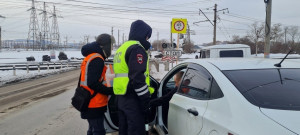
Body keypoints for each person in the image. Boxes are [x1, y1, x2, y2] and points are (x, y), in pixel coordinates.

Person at [113, 20, 154, 135]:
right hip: (133, 99)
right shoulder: (137, 49)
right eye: (147, 36)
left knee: (124, 130)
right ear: (143, 34)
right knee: (136, 131)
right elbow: (137, 78)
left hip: (121, 98)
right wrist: (146, 100)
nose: (147, 39)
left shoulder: (121, 49)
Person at [80, 33, 115, 135]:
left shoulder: (91, 56)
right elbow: (92, 83)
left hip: (88, 100)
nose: (112, 48)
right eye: (111, 46)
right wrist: (110, 91)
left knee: (92, 129)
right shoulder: (97, 59)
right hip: (94, 102)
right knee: (98, 131)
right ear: (107, 46)